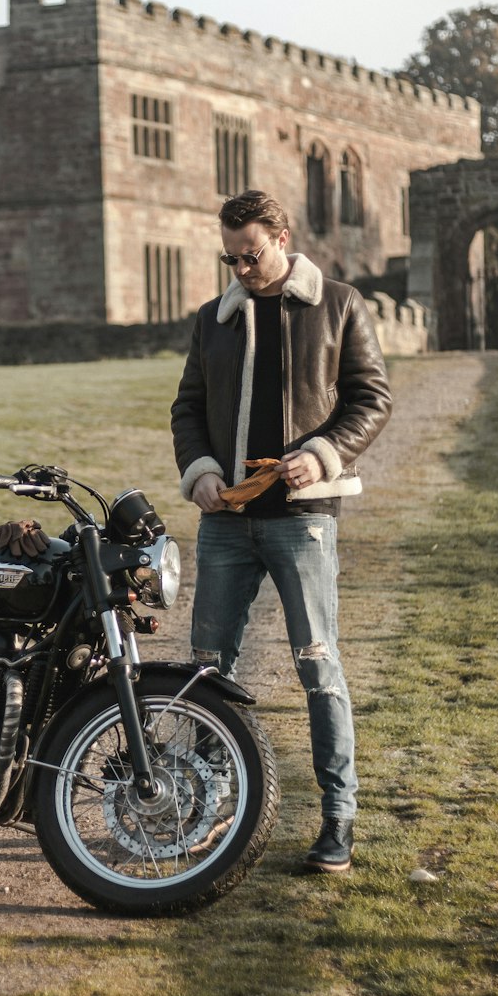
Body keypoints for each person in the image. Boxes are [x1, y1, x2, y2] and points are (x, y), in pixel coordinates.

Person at [171, 189, 392, 873]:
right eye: (229, 257)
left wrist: (320, 453)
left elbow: (372, 399)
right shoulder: (213, 319)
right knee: (208, 675)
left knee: (319, 670)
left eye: (251, 254)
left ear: (282, 237)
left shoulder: (340, 305)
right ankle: (204, 813)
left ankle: (338, 822)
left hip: (304, 522)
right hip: (227, 523)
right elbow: (187, 407)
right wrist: (201, 468)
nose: (239, 269)